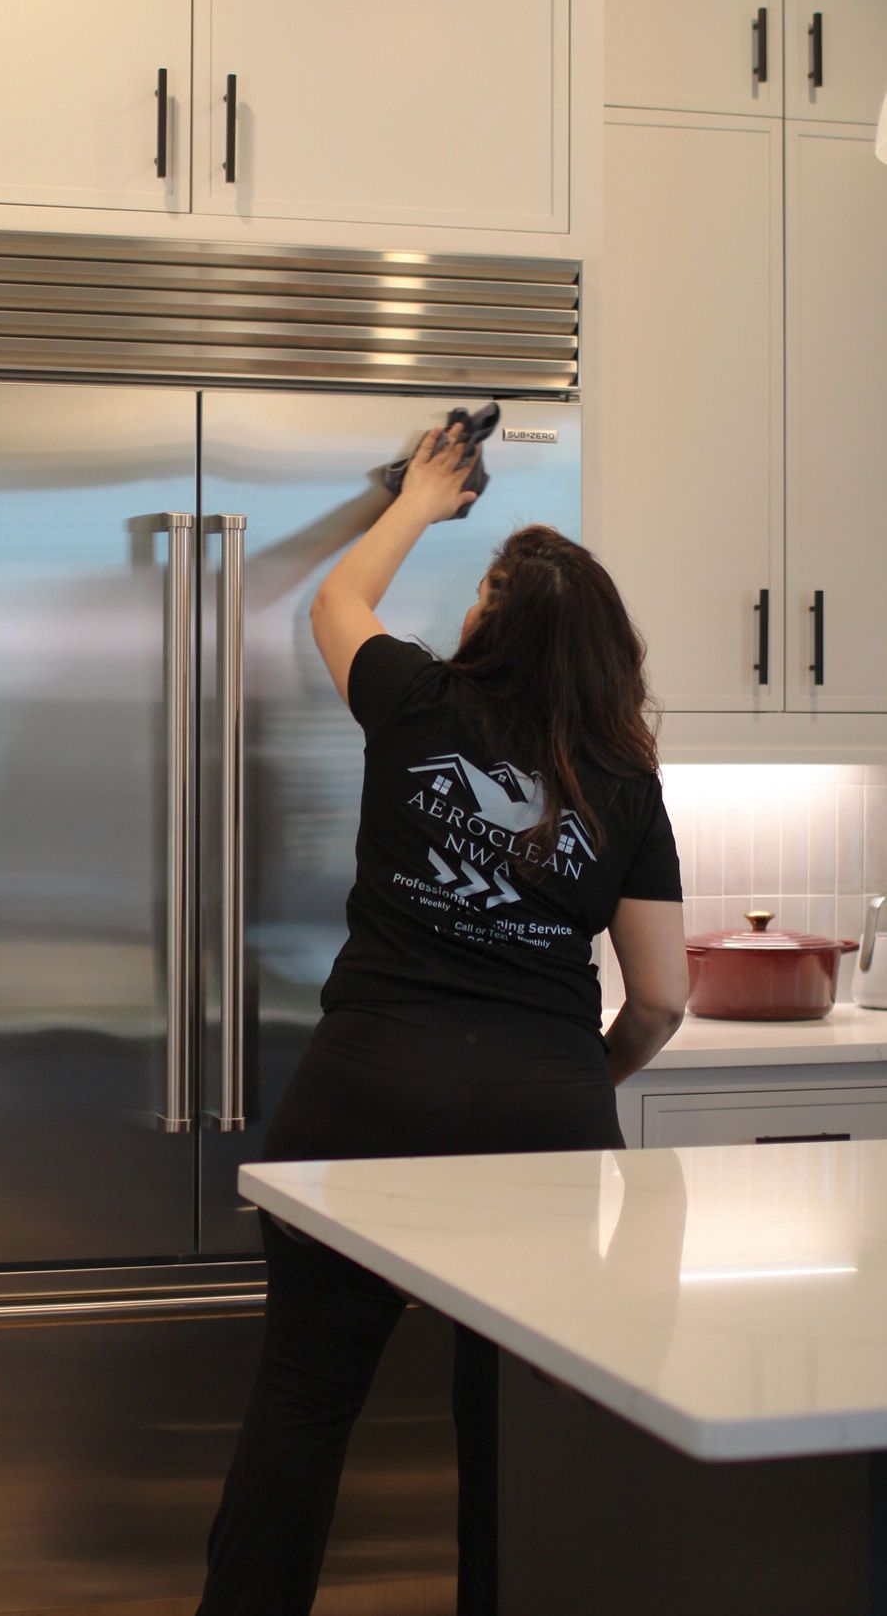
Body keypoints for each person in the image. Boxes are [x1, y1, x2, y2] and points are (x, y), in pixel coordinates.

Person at [196, 422, 689, 1616]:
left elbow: (336, 602)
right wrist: (582, 1077)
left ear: (493, 625)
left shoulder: (418, 701)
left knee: (305, 1398)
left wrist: (419, 498)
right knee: (510, 1419)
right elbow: (664, 996)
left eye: (483, 596)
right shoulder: (626, 782)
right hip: (541, 1124)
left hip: (364, 1095)